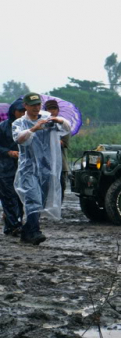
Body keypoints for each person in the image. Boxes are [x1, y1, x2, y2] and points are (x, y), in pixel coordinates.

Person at [12, 92, 71, 245]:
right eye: (32, 105)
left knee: (41, 201)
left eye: (38, 105)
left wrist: (60, 120)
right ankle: (35, 232)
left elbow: (66, 128)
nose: (36, 108)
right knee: (33, 199)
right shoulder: (19, 123)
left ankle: (26, 230)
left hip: (46, 169)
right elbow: (19, 139)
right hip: (28, 169)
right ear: (25, 106)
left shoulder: (47, 119)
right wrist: (34, 129)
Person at [0, 98, 25, 236]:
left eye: (24, 111)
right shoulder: (3, 127)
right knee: (9, 198)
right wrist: (8, 152)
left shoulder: (26, 126)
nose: (22, 113)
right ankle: (13, 225)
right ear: (13, 111)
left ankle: (15, 224)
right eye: (20, 111)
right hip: (5, 168)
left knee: (21, 197)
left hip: (22, 167)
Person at [43, 100, 70, 203]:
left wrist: (54, 140)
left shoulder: (63, 124)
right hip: (45, 161)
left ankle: (58, 207)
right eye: (49, 109)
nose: (52, 111)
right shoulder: (42, 124)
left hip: (60, 162)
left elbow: (65, 143)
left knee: (60, 186)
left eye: (54, 109)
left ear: (58, 110)